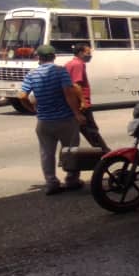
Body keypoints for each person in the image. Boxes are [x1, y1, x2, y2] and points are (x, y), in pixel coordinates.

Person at [17, 45, 87, 195]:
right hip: (65, 119)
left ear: (38, 58)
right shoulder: (61, 72)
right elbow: (68, 92)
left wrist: (31, 109)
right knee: (71, 150)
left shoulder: (32, 74)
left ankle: (51, 182)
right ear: (54, 56)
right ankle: (72, 180)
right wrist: (77, 113)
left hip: (44, 121)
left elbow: (22, 96)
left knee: (46, 153)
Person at [65, 43, 109, 150]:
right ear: (80, 53)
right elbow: (76, 84)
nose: (90, 56)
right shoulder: (78, 64)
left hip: (73, 104)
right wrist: (83, 101)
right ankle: (104, 153)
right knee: (92, 131)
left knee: (75, 133)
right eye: (88, 53)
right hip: (80, 105)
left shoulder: (69, 64)